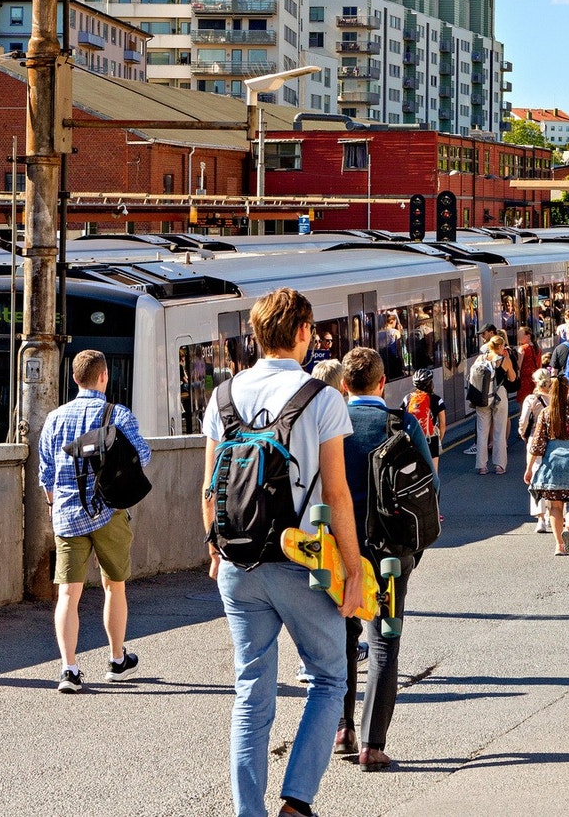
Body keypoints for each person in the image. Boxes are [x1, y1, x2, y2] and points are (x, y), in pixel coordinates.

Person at [201, 287, 360, 817]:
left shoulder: (223, 396)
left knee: (251, 691)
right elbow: (337, 493)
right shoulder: (322, 398)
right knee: (330, 677)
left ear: (256, 334)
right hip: (301, 561)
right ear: (302, 333)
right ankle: (296, 802)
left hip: (237, 562)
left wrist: (216, 549)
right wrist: (352, 569)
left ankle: (250, 812)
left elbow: (209, 488)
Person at [337, 346, 433, 771]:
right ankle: (372, 745)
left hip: (337, 552)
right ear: (382, 384)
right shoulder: (402, 423)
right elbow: (428, 483)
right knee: (383, 645)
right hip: (390, 551)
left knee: (342, 639)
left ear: (344, 385)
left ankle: (342, 728)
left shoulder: (330, 424)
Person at [38, 350, 152, 694]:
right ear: (104, 377)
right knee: (113, 586)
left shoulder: (54, 418)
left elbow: (46, 472)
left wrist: (52, 505)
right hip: (108, 512)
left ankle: (69, 670)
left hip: (67, 515)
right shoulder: (117, 414)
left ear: (75, 379)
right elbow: (143, 455)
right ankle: (117, 661)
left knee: (68, 594)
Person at [523, 372, 569, 555]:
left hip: (552, 462)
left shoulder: (546, 413)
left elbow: (537, 444)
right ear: (568, 389)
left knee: (555, 506)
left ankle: (559, 545)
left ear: (551, 391)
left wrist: (529, 469)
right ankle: (568, 530)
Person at [518, 368, 558, 533]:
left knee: (535, 476)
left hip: (535, 440)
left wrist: (523, 433)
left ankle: (540, 519)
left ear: (535, 381)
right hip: (553, 441)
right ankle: (550, 513)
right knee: (550, 477)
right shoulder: (556, 399)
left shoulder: (531, 399)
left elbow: (524, 421)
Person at [469, 336, 513, 475]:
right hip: (499, 395)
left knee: (482, 431)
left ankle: (481, 466)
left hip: (482, 397)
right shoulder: (504, 360)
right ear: (499, 347)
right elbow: (512, 378)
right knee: (499, 431)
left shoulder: (480, 359)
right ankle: (499, 465)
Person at [403, 367, 445, 495]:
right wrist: (439, 440)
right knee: (433, 476)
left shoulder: (407, 399)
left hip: (413, 440)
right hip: (431, 439)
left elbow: (401, 419)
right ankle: (435, 504)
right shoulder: (437, 400)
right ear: (430, 383)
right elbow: (443, 424)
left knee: (414, 474)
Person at [514, 326, 541, 407]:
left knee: (524, 404)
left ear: (528, 336)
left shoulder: (522, 348)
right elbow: (540, 365)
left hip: (524, 381)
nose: (518, 337)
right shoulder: (538, 348)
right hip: (536, 380)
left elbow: (519, 366)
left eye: (520, 335)